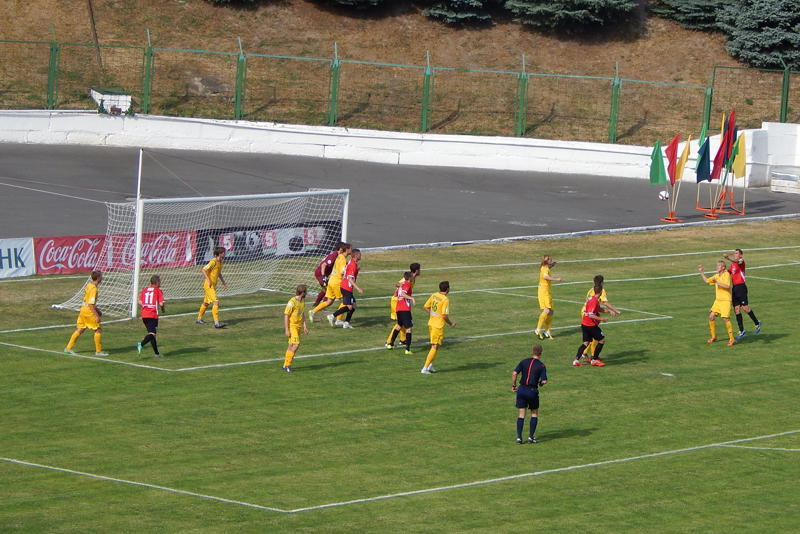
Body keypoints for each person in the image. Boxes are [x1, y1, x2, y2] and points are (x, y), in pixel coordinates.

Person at [64, 270, 108, 356]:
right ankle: (98, 351)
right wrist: (96, 315)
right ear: (98, 278)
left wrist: (97, 310)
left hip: (83, 310)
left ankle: (68, 348)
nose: (102, 278)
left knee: (80, 329)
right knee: (98, 329)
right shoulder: (94, 289)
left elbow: (88, 300)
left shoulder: (89, 285)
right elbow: (90, 304)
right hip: (88, 312)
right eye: (101, 276)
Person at [512, 344, 548, 444]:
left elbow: (514, 373)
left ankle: (519, 438)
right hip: (532, 391)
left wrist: (514, 385)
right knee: (534, 413)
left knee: (521, 415)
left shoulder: (524, 361)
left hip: (522, 389)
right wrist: (541, 383)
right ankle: (531, 437)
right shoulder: (541, 366)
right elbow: (544, 380)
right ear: (541, 353)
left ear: (533, 351)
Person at [723, 249, 762, 341]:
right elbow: (728, 272)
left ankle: (757, 323)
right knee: (736, 309)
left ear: (740, 255)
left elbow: (737, 261)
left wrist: (728, 258)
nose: (734, 254)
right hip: (735, 288)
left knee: (745, 308)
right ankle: (741, 329)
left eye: (736, 253)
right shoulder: (732, 265)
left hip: (741, 287)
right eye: (734, 253)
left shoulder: (741, 261)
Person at [580, 275, 621, 362]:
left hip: (584, 311)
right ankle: (592, 356)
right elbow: (605, 302)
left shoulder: (592, 289)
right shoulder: (601, 290)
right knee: (595, 335)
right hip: (590, 314)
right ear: (602, 282)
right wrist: (615, 310)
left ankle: (588, 354)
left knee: (591, 335)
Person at [421, 281, 456, 374]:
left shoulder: (434, 295)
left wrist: (432, 315)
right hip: (438, 326)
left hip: (431, 323)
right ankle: (425, 368)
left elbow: (425, 307)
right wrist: (451, 323)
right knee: (435, 346)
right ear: (447, 289)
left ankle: (430, 365)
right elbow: (444, 315)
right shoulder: (445, 300)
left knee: (435, 345)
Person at [310, 243, 351, 323]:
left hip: (332, 280)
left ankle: (313, 311)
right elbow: (325, 265)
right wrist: (323, 276)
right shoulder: (338, 257)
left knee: (329, 301)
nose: (351, 250)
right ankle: (337, 320)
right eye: (350, 249)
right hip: (334, 281)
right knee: (344, 301)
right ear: (343, 249)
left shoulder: (339, 257)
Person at [699, 261, 736, 346]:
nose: (717, 267)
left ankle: (732, 339)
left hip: (725, 300)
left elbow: (727, 286)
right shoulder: (716, 276)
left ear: (723, 267)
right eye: (717, 265)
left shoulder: (726, 274)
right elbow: (706, 281)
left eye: (719, 265)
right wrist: (701, 271)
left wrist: (717, 282)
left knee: (725, 319)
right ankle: (713, 336)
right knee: (711, 317)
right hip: (718, 300)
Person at [574, 285, 609, 367]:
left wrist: (608, 311)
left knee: (586, 343)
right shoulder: (594, 301)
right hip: (590, 325)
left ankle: (576, 360)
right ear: (601, 292)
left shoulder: (591, 299)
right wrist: (602, 319)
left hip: (584, 324)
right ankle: (594, 360)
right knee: (601, 340)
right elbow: (591, 315)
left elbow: (598, 309)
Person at [390, 263, 421, 346]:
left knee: (403, 323)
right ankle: (389, 341)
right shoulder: (408, 279)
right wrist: (402, 285)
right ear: (417, 270)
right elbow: (397, 284)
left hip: (402, 299)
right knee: (399, 323)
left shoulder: (412, 278)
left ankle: (402, 339)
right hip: (398, 300)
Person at [331, 249, 363, 329]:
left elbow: (346, 271)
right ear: (356, 255)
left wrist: (356, 271)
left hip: (345, 286)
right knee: (349, 307)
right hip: (347, 287)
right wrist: (358, 288)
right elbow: (350, 278)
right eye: (360, 254)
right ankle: (332, 316)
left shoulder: (351, 262)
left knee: (354, 306)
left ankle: (346, 323)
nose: (361, 256)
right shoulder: (353, 265)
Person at [197, 246, 227, 329]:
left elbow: (219, 273)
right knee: (216, 302)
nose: (225, 254)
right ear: (220, 254)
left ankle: (199, 319)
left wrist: (223, 282)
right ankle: (216, 323)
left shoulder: (221, 262)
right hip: (209, 285)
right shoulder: (213, 262)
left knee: (206, 303)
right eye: (223, 252)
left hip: (213, 285)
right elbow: (203, 270)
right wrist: (208, 280)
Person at [386, 271, 416, 354]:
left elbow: (396, 294)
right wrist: (412, 298)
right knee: (408, 328)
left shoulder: (401, 285)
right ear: (409, 278)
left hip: (398, 308)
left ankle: (391, 344)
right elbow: (403, 294)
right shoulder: (407, 284)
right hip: (404, 309)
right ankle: (407, 349)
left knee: (399, 326)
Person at [137, 275, 166, 358]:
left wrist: (144, 306)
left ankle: (157, 353)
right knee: (152, 334)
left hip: (144, 315)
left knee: (152, 334)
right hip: (152, 315)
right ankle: (141, 344)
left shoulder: (145, 290)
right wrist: (163, 309)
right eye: (159, 282)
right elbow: (161, 303)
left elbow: (140, 301)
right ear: (157, 282)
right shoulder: (158, 291)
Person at [283, 284, 309, 373]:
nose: (306, 293)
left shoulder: (302, 301)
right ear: (302, 293)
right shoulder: (292, 302)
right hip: (292, 327)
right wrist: (287, 329)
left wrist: (305, 326)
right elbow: (286, 315)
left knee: (291, 345)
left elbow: (302, 313)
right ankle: (288, 365)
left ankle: (285, 365)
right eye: (305, 292)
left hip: (299, 327)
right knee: (296, 344)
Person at [536, 255, 562, 340]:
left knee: (551, 312)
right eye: (550, 259)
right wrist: (556, 279)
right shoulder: (544, 269)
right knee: (546, 310)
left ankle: (547, 331)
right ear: (546, 261)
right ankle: (538, 329)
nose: (551, 260)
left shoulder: (545, 267)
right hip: (543, 292)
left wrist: (552, 265)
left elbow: (547, 269)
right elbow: (545, 276)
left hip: (547, 291)